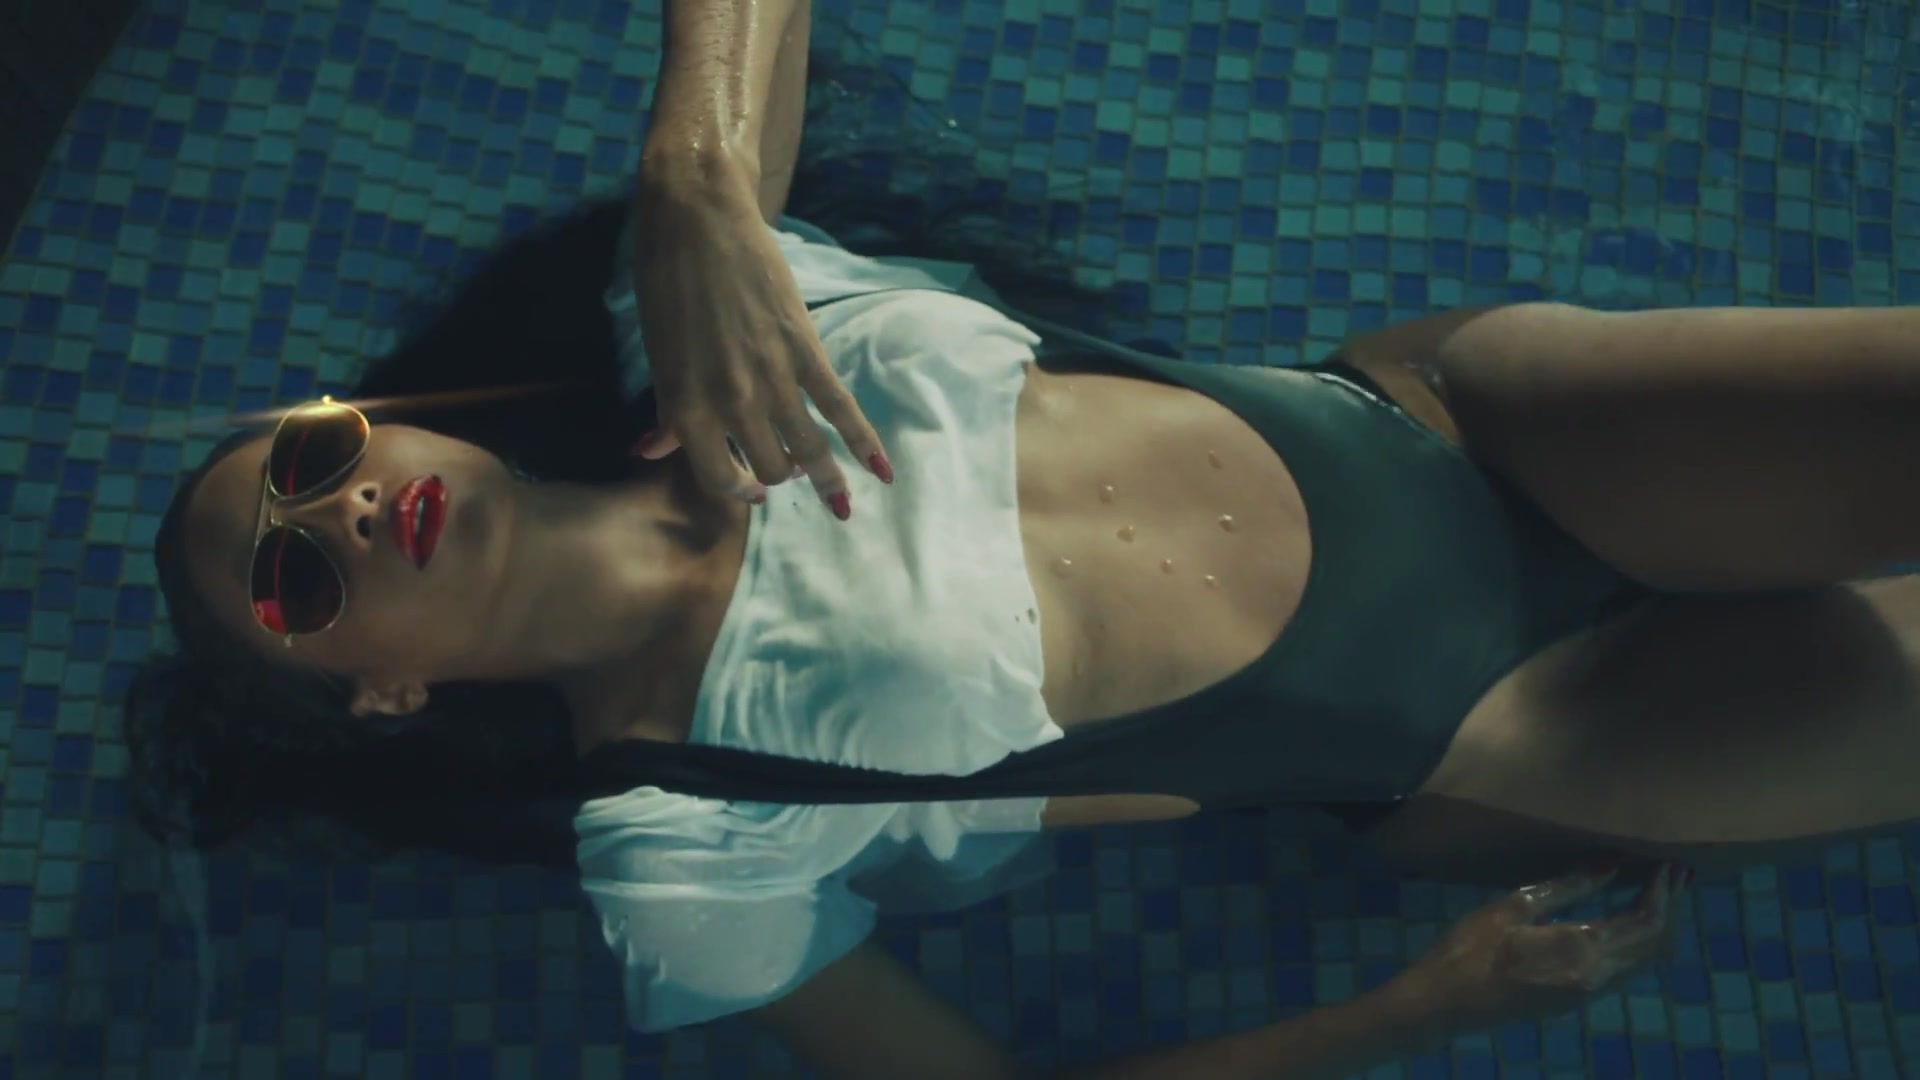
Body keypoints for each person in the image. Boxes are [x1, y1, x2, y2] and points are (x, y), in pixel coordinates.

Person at [120, 0, 1920, 1077]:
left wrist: (691, 179)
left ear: (387, 417)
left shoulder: (694, 315)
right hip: (1508, 726)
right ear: (384, 696)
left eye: (313, 456)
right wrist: (1419, 1014)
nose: (343, 506)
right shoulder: (678, 843)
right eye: (296, 576)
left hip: (1464, 426)